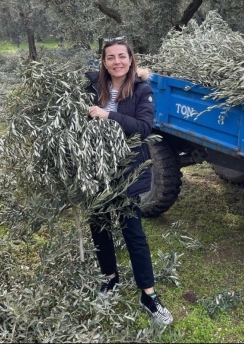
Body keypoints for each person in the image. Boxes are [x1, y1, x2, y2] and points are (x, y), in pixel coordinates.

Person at [85, 37, 173, 325]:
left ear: (131, 59)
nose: (117, 62)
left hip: (126, 171)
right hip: (96, 170)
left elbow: (144, 127)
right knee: (98, 226)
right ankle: (109, 278)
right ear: (104, 62)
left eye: (121, 56)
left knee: (132, 231)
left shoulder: (141, 90)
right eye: (110, 57)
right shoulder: (92, 86)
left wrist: (107, 115)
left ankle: (149, 295)